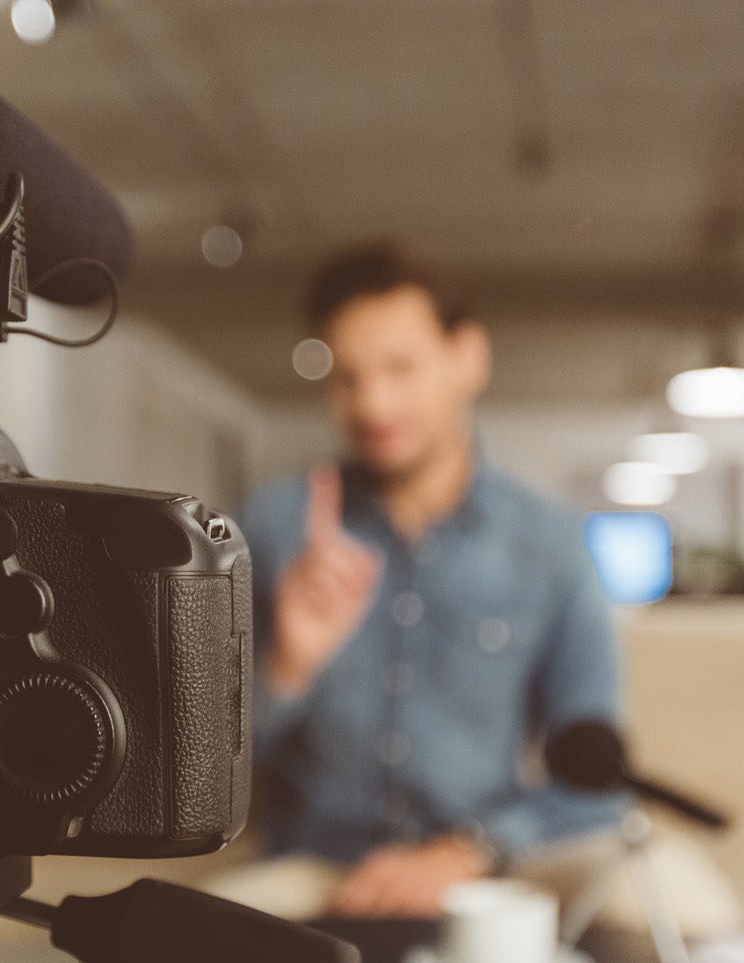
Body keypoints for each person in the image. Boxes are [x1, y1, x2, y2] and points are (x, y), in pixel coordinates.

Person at [238, 241, 625, 918]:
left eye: (400, 368)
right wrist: (287, 668)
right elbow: (200, 776)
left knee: (669, 895)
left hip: (488, 869)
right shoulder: (272, 530)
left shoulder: (550, 543)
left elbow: (596, 782)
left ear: (467, 358)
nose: (372, 402)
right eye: (346, 376)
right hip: (317, 873)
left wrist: (468, 854)